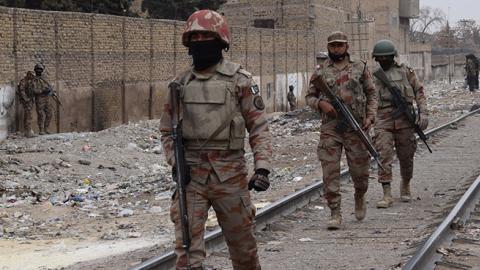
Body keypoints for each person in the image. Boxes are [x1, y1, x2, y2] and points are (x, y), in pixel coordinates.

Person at [159, 10, 272, 270]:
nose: (200, 40)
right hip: (191, 178)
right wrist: (176, 163)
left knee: (244, 250)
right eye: (194, 36)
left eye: (206, 36)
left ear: (220, 40)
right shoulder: (179, 84)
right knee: (187, 255)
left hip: (230, 176)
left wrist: (262, 167)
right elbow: (167, 131)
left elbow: (258, 127)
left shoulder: (240, 81)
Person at [305, 31, 377, 230]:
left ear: (347, 46)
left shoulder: (360, 67)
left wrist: (370, 117)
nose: (336, 49)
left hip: (356, 126)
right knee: (330, 171)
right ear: (328, 47)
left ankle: (359, 195)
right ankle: (335, 211)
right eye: (333, 45)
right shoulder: (320, 71)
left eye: (340, 45)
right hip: (331, 127)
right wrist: (320, 104)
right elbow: (309, 96)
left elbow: (372, 94)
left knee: (360, 172)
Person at [371, 40, 429, 208]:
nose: (383, 61)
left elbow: (419, 91)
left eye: (386, 58)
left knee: (406, 154)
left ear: (393, 57)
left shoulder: (405, 71)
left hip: (405, 118)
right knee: (384, 154)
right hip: (383, 119)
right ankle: (386, 192)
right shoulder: (373, 75)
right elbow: (366, 97)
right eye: (379, 58)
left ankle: (405, 184)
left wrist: (423, 113)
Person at [29, 64, 53, 135]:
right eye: (38, 70)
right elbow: (34, 90)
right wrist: (42, 91)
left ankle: (46, 128)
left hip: (47, 98)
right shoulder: (33, 80)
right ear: (35, 70)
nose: (39, 71)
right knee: (41, 115)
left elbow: (49, 86)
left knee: (49, 114)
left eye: (40, 70)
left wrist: (50, 91)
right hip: (39, 99)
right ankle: (41, 129)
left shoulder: (44, 79)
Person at [17, 71, 35, 137]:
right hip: (27, 102)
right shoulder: (24, 81)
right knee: (28, 116)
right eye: (32, 75)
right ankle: (28, 132)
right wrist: (26, 99)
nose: (33, 77)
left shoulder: (30, 81)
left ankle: (27, 131)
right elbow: (22, 91)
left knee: (28, 115)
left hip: (30, 101)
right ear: (28, 75)